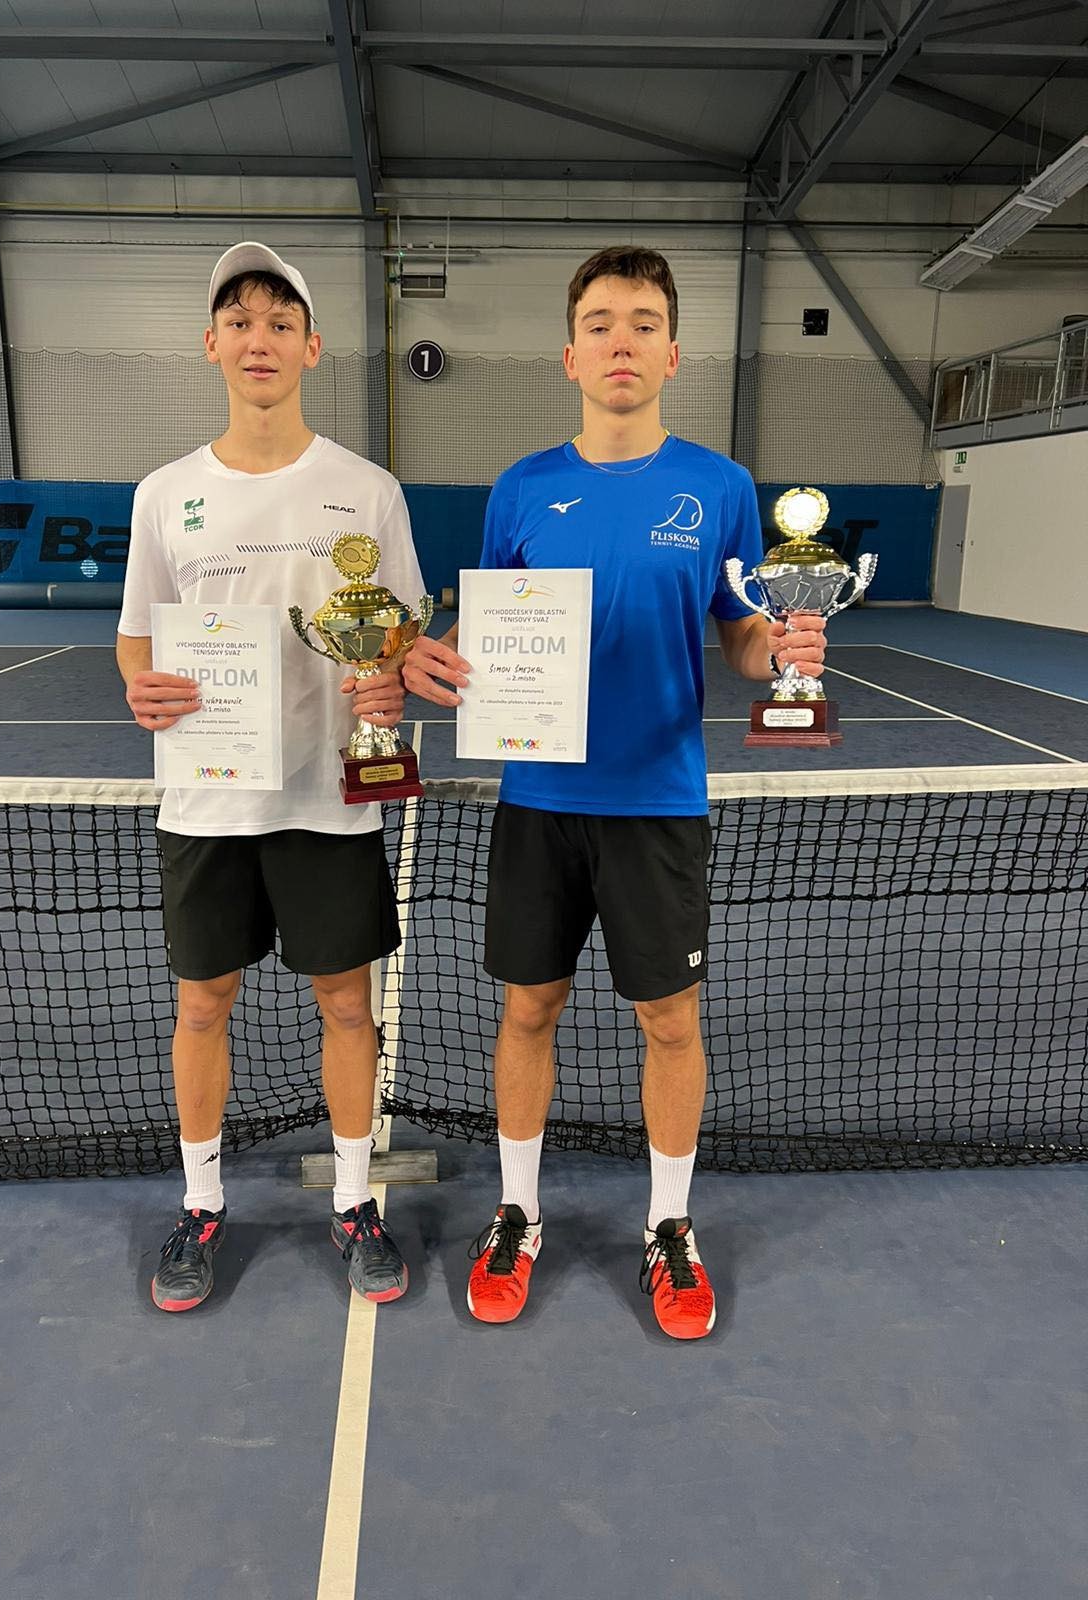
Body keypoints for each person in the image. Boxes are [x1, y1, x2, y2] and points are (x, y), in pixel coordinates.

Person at [403, 245, 828, 1340]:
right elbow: (495, 630)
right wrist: (442, 661)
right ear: (570, 355)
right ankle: (517, 1213)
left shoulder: (721, 489)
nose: (621, 340)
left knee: (670, 1020)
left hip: (660, 805)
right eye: (600, 323)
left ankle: (670, 1227)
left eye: (643, 322)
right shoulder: (521, 488)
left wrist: (782, 649)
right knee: (528, 1009)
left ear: (673, 353)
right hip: (539, 803)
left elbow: (740, 639)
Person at [117, 242, 423, 1312]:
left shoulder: (367, 491)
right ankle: (201, 1203)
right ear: (212, 345)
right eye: (241, 322)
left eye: (280, 323)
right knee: (204, 1003)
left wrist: (387, 686)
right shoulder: (165, 495)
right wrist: (142, 688)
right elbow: (137, 639)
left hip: (330, 797)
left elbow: (397, 635)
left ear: (312, 347)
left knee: (347, 1003)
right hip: (206, 798)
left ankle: (354, 1199)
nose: (261, 340)